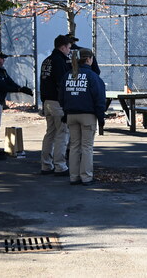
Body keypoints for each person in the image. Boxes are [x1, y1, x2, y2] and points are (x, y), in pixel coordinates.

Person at [60, 49, 106, 186]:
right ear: (89, 59)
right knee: (86, 147)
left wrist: (66, 110)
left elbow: (61, 97)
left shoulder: (68, 75)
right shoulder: (92, 76)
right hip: (87, 115)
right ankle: (86, 177)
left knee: (74, 146)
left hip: (71, 115)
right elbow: (99, 99)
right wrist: (101, 117)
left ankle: (73, 176)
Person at [0, 50, 33, 160]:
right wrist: (17, 89)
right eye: (1, 58)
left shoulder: (1, 70)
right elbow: (1, 86)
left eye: (3, 58)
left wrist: (21, 88)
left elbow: (9, 82)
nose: (3, 60)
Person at [39, 35, 72, 175]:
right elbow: (62, 83)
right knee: (62, 133)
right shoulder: (59, 61)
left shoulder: (47, 60)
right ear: (63, 47)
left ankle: (46, 165)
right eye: (69, 48)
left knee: (50, 133)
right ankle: (60, 166)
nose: (69, 51)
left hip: (47, 101)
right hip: (58, 102)